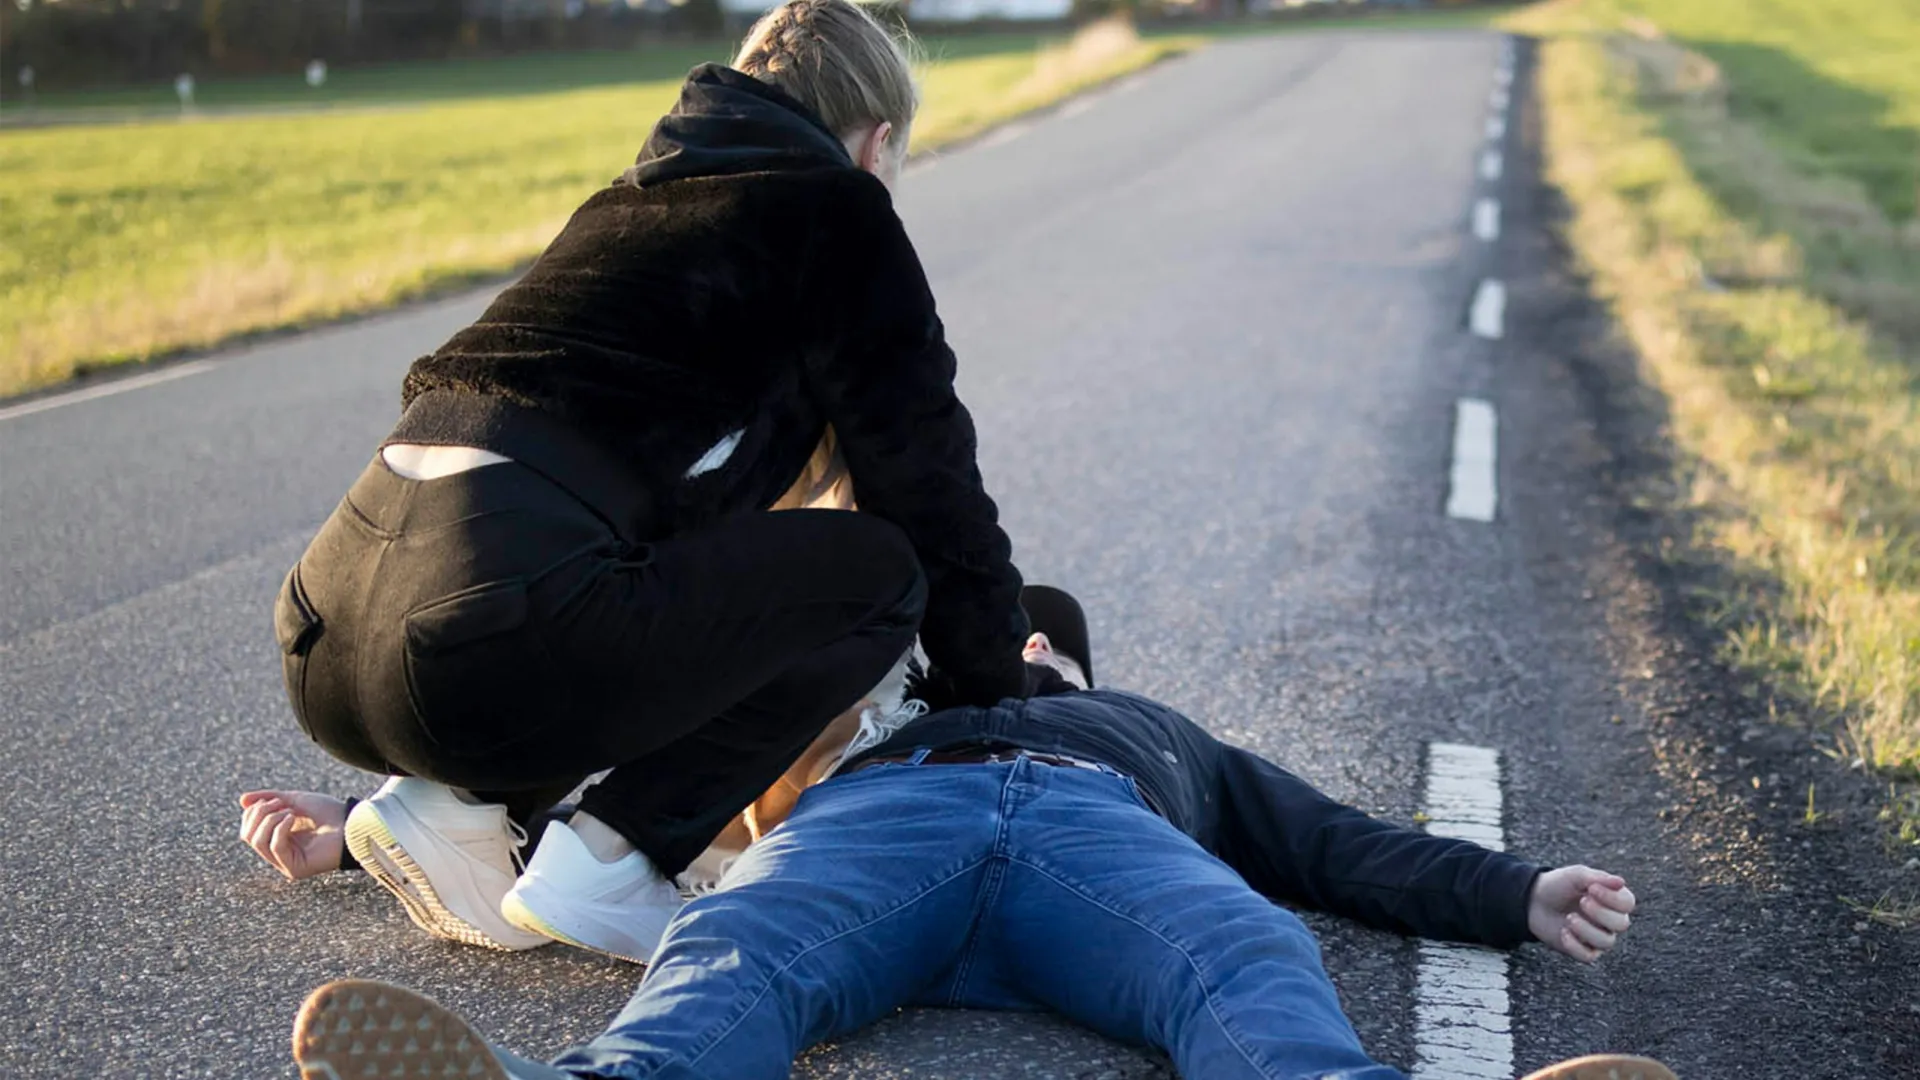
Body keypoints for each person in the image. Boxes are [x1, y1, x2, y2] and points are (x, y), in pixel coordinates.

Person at [267, 0, 1044, 964]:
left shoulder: (623, 206)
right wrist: (997, 690)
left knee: (632, 574)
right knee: (880, 573)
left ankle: (445, 802)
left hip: (327, 635)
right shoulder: (837, 208)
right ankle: (611, 856)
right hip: (479, 637)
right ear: (877, 140)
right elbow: (932, 489)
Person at [280, 599, 1674, 1080]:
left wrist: (1517, 891)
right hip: (892, 825)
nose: (1018, 641)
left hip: (1097, 845)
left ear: (1071, 662)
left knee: (1248, 940)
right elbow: (636, 758)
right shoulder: (877, 727)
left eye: (1042, 636)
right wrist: (358, 830)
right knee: (738, 936)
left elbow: (1332, 844)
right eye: (998, 634)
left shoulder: (1160, 735)